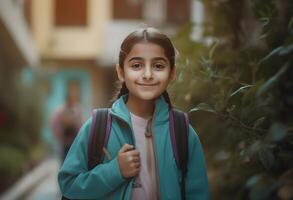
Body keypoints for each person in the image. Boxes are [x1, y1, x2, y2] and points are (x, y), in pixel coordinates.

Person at [58, 27, 210, 199]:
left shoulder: (183, 132)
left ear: (172, 73)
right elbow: (68, 184)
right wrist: (115, 171)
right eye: (137, 65)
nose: (147, 74)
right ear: (121, 72)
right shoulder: (98, 126)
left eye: (158, 66)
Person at [51, 81, 83, 161]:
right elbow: (54, 124)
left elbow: (80, 124)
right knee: (64, 159)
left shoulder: (77, 109)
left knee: (72, 160)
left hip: (74, 140)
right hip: (64, 141)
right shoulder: (60, 110)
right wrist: (60, 136)